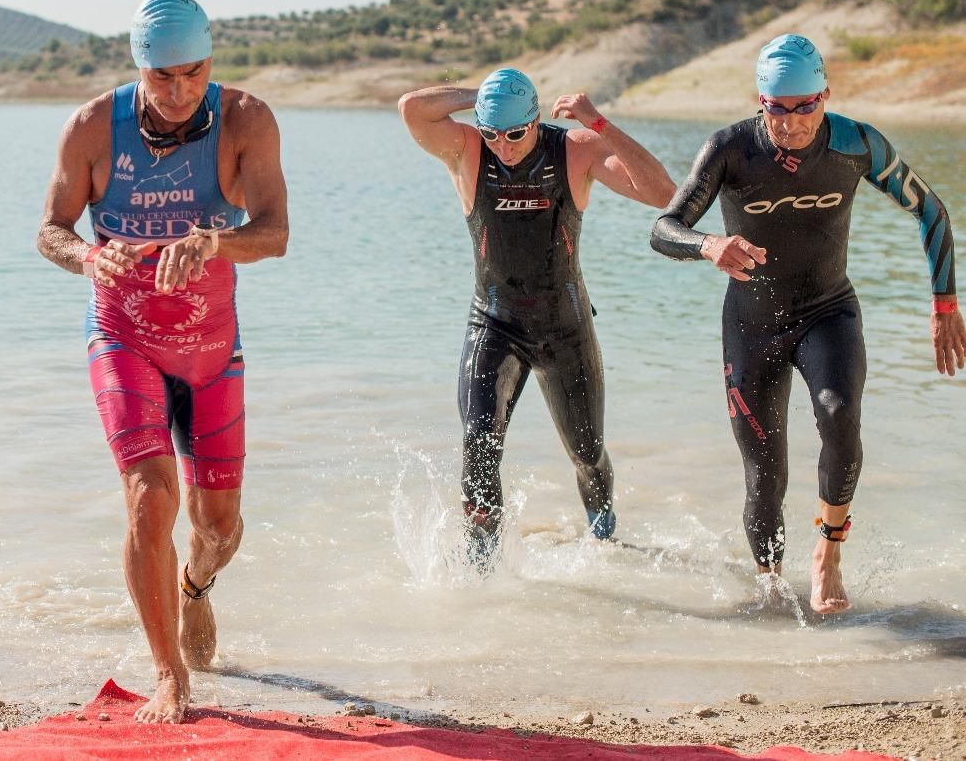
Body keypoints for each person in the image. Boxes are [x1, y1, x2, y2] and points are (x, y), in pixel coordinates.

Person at [36, 0, 289, 722]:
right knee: (150, 499)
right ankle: (167, 672)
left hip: (211, 348)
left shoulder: (247, 121)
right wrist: (86, 253)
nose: (181, 92)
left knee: (219, 528)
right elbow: (49, 228)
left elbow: (273, 232)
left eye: (195, 71)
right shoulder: (91, 128)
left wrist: (213, 239)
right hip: (124, 336)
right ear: (138, 68)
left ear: (212, 60)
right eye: (163, 77)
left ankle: (195, 587)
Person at [651, 33, 963, 613]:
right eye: (777, 108)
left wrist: (944, 302)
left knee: (840, 417)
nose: (792, 122)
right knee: (764, 473)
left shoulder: (855, 144)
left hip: (827, 310)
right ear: (760, 100)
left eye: (805, 107)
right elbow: (664, 228)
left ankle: (827, 554)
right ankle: (771, 589)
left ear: (825, 95)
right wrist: (709, 245)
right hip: (751, 324)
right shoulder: (730, 148)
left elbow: (932, 211)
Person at [398, 68, 676, 568]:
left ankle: (605, 540)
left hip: (564, 329)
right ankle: (482, 573)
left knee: (588, 454)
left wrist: (602, 124)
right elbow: (412, 108)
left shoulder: (576, 150)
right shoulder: (465, 149)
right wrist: (480, 96)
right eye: (491, 132)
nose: (502, 146)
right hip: (494, 325)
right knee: (479, 446)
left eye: (515, 133)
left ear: (535, 119)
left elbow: (663, 195)